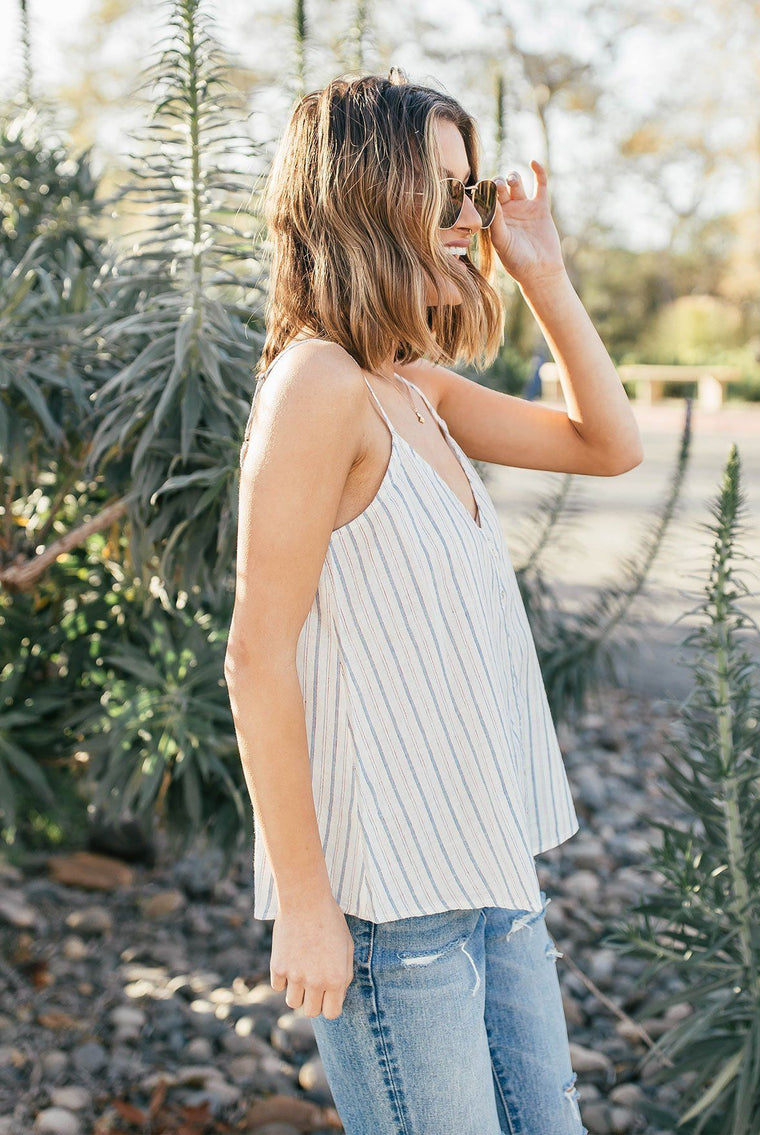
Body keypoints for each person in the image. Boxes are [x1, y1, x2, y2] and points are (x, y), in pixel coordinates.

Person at [224, 67, 643, 1135]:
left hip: (488, 871)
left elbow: (610, 446)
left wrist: (542, 272)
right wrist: (308, 906)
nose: (470, 219)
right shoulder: (315, 386)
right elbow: (256, 655)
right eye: (446, 193)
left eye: (474, 191)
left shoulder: (410, 385)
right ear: (364, 196)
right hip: (389, 909)